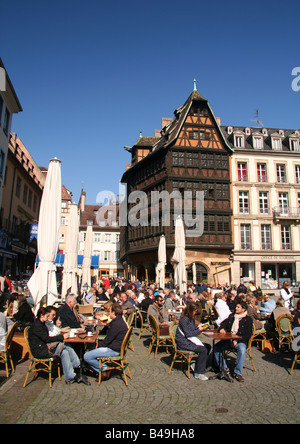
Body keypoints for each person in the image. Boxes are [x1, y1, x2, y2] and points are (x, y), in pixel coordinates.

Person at [28, 307, 81, 384]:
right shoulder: (37, 326)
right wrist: (62, 337)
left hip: (44, 347)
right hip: (41, 350)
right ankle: (77, 364)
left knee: (65, 352)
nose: (48, 317)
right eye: (47, 316)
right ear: (41, 315)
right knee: (64, 344)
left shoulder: (41, 323)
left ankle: (70, 376)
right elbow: (47, 339)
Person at [83, 303, 128, 379]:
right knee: (92, 351)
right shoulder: (119, 321)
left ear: (113, 313)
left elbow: (108, 339)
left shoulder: (116, 324)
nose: (109, 313)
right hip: (117, 347)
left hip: (114, 349)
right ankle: (101, 370)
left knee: (87, 356)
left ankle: (104, 368)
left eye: (110, 311)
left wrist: (99, 345)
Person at [213, 301, 253, 382]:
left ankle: (238, 372)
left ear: (243, 309)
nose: (236, 308)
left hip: (240, 341)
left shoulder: (248, 319)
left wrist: (237, 341)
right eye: (236, 307)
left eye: (238, 307)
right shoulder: (232, 316)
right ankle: (224, 368)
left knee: (242, 350)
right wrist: (222, 328)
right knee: (216, 347)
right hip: (229, 339)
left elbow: (248, 335)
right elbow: (223, 323)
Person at [175, 301, 211, 380]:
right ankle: (198, 373)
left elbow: (191, 329)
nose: (195, 313)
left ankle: (197, 365)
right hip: (184, 342)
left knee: (208, 346)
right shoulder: (184, 320)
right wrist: (199, 330)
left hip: (189, 340)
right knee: (203, 350)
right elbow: (188, 334)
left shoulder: (191, 319)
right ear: (190, 311)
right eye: (195, 311)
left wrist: (199, 326)